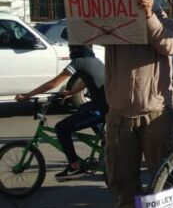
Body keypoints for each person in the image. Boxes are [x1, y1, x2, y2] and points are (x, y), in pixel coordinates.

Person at [105, 0, 173, 208]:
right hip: (120, 113)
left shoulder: (167, 22)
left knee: (162, 173)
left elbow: (168, 44)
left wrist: (149, 16)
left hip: (156, 112)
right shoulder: (114, 24)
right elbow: (90, 36)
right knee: (122, 175)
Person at [15, 44, 107, 180]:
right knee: (83, 108)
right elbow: (86, 81)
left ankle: (75, 166)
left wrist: (27, 95)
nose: (70, 51)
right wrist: (70, 92)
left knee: (61, 128)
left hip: (99, 108)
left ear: (76, 49)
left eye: (71, 48)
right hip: (104, 105)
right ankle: (105, 140)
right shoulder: (95, 61)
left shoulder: (78, 62)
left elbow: (53, 83)